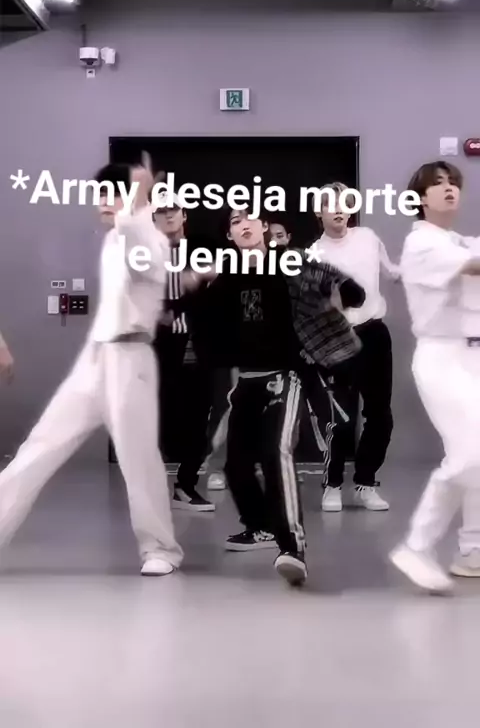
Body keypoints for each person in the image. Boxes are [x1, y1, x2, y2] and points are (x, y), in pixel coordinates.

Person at [0, 159, 183, 577]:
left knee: (138, 458)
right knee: (40, 445)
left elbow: (142, 261)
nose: (104, 201)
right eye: (100, 194)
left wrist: (136, 207)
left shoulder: (150, 238)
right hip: (96, 357)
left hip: (131, 358)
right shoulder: (114, 239)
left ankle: (161, 549)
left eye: (114, 193)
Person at [176, 208, 365, 586]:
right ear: (229, 236)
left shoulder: (289, 262)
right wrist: (197, 284)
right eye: (235, 222)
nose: (243, 224)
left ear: (264, 228)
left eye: (250, 218)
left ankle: (292, 546)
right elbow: (204, 325)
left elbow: (342, 285)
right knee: (236, 466)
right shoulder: (226, 277)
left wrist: (341, 294)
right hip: (247, 380)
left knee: (276, 452)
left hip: (286, 375)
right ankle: (260, 526)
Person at [390, 161, 480, 591]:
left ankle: (473, 550)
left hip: (472, 356)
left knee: (477, 455)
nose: (448, 189)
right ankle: (417, 546)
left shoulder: (457, 240)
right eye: (437, 184)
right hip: (442, 357)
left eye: (453, 183)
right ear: (420, 198)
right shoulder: (422, 243)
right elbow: (474, 265)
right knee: (470, 455)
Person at [310, 182, 399, 513]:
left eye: (344, 203)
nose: (338, 209)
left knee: (380, 415)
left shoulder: (368, 238)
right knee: (342, 418)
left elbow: (393, 272)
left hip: (374, 334)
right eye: (330, 204)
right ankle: (332, 484)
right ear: (319, 213)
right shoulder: (315, 254)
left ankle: (366, 482)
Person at [153, 194, 216, 512]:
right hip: (159, 346)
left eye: (173, 210)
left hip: (201, 343)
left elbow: (218, 283)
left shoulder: (203, 248)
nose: (168, 216)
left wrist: (204, 277)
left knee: (199, 416)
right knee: (159, 416)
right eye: (161, 211)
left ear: (184, 214)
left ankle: (186, 485)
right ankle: (150, 489)